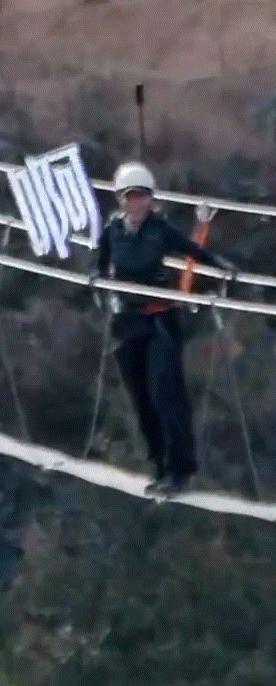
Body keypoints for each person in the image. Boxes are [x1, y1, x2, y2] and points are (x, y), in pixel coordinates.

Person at [95, 161, 237, 495]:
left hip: (159, 319)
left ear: (151, 198)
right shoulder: (113, 231)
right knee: (141, 398)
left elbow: (194, 251)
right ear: (121, 199)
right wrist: (98, 285)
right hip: (128, 322)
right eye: (131, 196)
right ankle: (159, 466)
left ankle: (180, 470)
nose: (137, 203)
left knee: (167, 394)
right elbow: (100, 265)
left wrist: (222, 268)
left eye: (143, 196)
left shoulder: (161, 230)